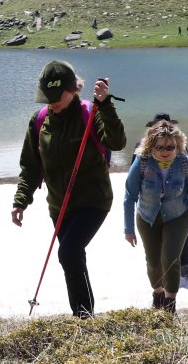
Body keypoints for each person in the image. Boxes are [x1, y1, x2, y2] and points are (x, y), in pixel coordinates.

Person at [11, 60, 127, 318]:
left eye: (56, 95)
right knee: (72, 258)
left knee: (68, 252)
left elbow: (117, 142)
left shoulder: (91, 112)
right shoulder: (39, 121)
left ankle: (84, 315)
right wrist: (21, 200)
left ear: (74, 89)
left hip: (93, 200)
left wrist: (106, 105)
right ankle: (83, 316)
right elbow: (30, 165)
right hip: (59, 205)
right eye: (46, 96)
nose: (50, 102)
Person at [124, 121, 188, 314]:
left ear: (178, 145)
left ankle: (170, 305)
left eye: (170, 147)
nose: (165, 151)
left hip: (178, 215)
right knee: (153, 261)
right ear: (151, 145)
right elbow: (129, 197)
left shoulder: (185, 163)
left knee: (170, 259)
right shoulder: (142, 161)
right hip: (147, 216)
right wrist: (128, 229)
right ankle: (157, 295)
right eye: (159, 147)